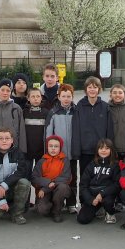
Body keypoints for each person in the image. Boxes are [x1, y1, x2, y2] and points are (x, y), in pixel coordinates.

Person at [0, 128, 31, 224]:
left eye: (7, 138)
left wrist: (5, 185)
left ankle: (17, 214)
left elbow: (21, 172)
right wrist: (0, 201)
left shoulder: (18, 153)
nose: (4, 141)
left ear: (12, 140)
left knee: (24, 182)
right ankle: (7, 206)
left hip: (12, 188)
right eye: (1, 138)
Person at [72, 76, 114, 181]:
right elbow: (76, 130)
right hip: (85, 151)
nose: (92, 89)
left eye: (95, 87)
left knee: (100, 179)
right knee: (85, 179)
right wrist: (76, 151)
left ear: (99, 89)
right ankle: (84, 198)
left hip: (101, 151)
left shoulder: (105, 107)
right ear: (86, 89)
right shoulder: (79, 106)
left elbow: (109, 130)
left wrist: (109, 149)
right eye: (89, 87)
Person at [45, 83, 78, 211]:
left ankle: (71, 204)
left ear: (72, 97)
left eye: (68, 96)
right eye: (63, 96)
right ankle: (58, 203)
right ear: (59, 97)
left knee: (73, 179)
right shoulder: (53, 113)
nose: (66, 99)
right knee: (58, 178)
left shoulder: (76, 111)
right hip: (58, 154)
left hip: (72, 152)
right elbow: (48, 133)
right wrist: (49, 151)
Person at [76, 138, 120, 225]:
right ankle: (99, 208)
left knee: (108, 201)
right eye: (101, 148)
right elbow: (83, 185)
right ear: (97, 150)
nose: (104, 150)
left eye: (107, 148)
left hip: (106, 194)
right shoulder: (91, 165)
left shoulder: (115, 165)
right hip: (93, 195)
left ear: (111, 150)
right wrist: (90, 199)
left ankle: (110, 212)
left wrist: (102, 193)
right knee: (82, 219)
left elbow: (117, 184)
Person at [31, 135, 72, 222]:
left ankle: (57, 211)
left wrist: (47, 187)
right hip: (44, 190)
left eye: (56, 146)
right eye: (51, 146)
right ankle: (51, 206)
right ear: (47, 147)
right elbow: (34, 178)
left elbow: (66, 177)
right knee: (42, 210)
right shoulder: (42, 161)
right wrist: (47, 184)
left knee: (63, 187)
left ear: (60, 147)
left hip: (57, 188)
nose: (53, 149)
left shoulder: (65, 160)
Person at [23, 88, 48, 174]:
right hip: (27, 150)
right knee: (26, 175)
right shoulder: (24, 113)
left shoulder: (46, 113)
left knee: (39, 175)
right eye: (33, 96)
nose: (36, 98)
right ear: (28, 98)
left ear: (41, 98)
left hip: (41, 151)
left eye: (38, 96)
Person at [108, 83, 125, 159]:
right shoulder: (106, 109)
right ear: (110, 95)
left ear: (124, 95)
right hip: (112, 150)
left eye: (120, 92)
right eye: (114, 93)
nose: (117, 95)